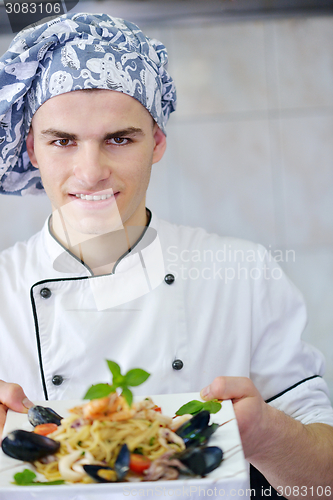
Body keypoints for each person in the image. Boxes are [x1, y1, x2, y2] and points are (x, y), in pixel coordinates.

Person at [0, 12, 332, 498]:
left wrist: (266, 434)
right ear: (32, 147)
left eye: (118, 139)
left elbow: (322, 487)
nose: (90, 173)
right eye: (63, 141)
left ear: (156, 142)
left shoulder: (242, 274)